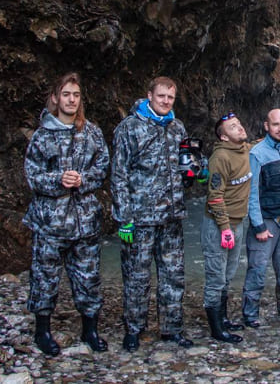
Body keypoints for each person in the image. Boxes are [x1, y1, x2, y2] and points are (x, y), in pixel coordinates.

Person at [23, 72, 109, 356]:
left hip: (85, 222)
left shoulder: (92, 132)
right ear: (55, 98)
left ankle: (90, 330)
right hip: (50, 222)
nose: (71, 100)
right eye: (66, 94)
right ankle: (43, 331)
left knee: (89, 278)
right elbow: (32, 175)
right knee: (44, 278)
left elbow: (103, 167)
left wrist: (84, 179)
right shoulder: (41, 135)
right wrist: (58, 180)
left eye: (76, 95)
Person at [111, 76, 193, 352]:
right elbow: (119, 175)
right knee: (137, 277)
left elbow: (186, 167)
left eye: (170, 98)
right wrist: (124, 218)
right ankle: (133, 329)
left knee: (173, 276)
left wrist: (197, 169)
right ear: (149, 95)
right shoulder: (130, 128)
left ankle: (172, 328)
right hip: (141, 218)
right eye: (161, 97)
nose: (166, 102)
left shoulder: (177, 127)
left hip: (172, 217)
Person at [242, 109, 280, 327]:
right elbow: (252, 192)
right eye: (275, 124)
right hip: (267, 221)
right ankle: (250, 315)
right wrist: (258, 225)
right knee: (257, 270)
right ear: (267, 126)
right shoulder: (257, 153)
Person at [201, 112, 252, 343]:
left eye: (239, 123)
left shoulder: (243, 149)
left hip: (238, 222)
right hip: (219, 226)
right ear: (223, 137)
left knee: (228, 275)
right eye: (233, 127)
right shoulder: (220, 157)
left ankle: (223, 318)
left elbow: (260, 142)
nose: (239, 128)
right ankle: (216, 329)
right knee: (216, 278)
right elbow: (215, 196)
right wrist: (224, 228)